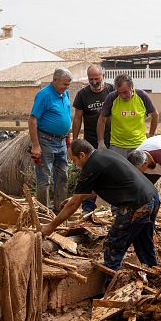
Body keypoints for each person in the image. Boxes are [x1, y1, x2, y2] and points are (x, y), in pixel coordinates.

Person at [41, 139, 160, 277]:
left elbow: (74, 205)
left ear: (82, 155)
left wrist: (51, 226)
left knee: (113, 245)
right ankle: (154, 276)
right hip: (152, 197)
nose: (74, 164)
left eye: (74, 160)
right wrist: (78, 197)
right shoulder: (105, 154)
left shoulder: (91, 166)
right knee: (143, 241)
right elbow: (103, 186)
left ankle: (111, 286)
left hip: (136, 205)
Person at [29, 68, 73, 212]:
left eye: (68, 84)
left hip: (61, 142)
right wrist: (35, 145)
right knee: (45, 178)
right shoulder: (44, 95)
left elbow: (66, 116)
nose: (67, 87)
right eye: (64, 84)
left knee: (63, 176)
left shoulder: (64, 93)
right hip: (46, 140)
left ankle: (60, 210)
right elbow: (32, 119)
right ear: (55, 80)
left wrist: (68, 138)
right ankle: (44, 212)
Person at [72, 64, 114, 214]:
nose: (95, 82)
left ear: (103, 76)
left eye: (97, 79)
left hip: (112, 139)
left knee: (112, 171)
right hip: (91, 141)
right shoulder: (82, 94)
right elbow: (77, 118)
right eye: (91, 79)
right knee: (89, 173)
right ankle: (88, 208)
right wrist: (75, 140)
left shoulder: (112, 90)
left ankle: (115, 205)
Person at [97, 73, 159, 158]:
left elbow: (155, 115)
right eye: (119, 93)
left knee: (138, 171)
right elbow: (102, 120)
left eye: (125, 92)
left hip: (139, 145)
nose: (122, 96)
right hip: (117, 146)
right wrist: (101, 141)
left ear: (132, 87)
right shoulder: (112, 97)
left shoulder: (142, 96)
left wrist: (151, 136)